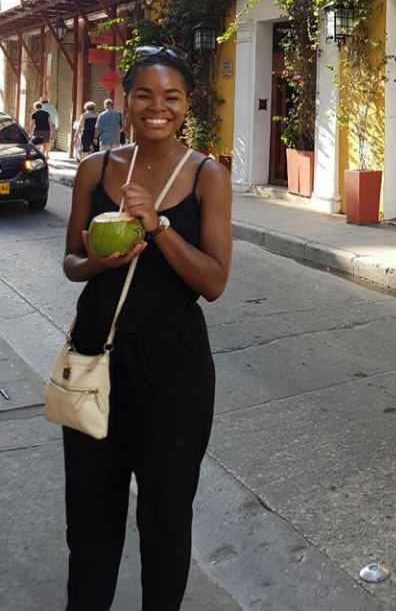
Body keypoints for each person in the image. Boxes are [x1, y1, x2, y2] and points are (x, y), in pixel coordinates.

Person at [62, 48, 232, 611]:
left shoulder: (208, 175)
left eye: (171, 97)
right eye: (144, 95)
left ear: (186, 106)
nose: (157, 107)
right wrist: (97, 263)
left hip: (172, 369)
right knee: (90, 513)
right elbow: (70, 263)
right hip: (96, 356)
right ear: (125, 102)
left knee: (165, 514)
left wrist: (157, 227)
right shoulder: (96, 169)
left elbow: (213, 282)